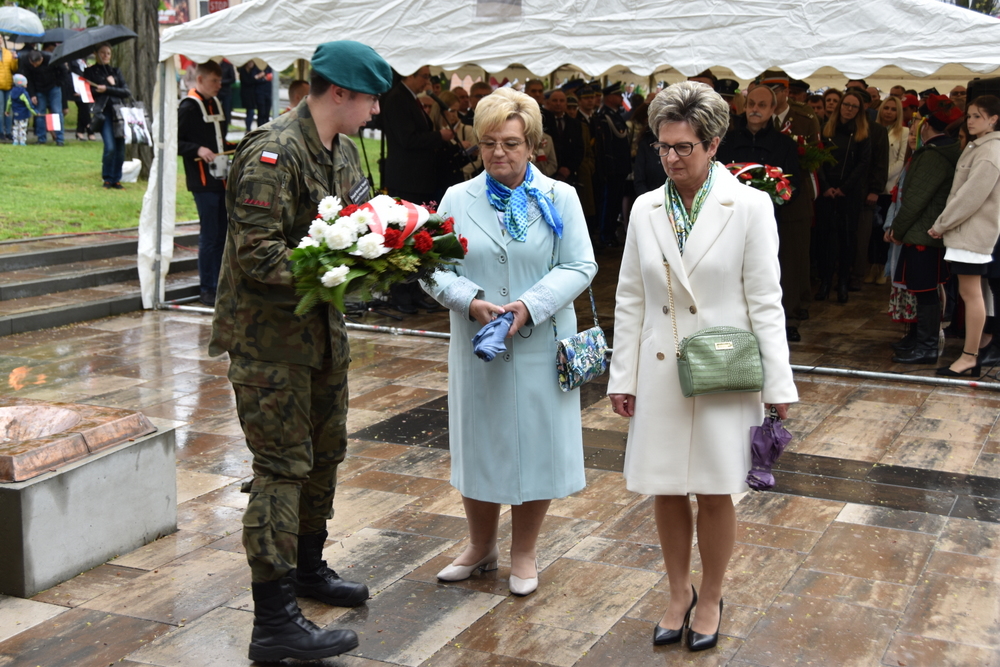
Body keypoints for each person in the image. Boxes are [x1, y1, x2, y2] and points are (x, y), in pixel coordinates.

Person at [209, 40, 392, 662]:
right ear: (339, 93)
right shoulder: (272, 152)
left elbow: (360, 221)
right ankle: (273, 621)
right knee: (281, 470)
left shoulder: (341, 150)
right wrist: (340, 267)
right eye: (370, 99)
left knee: (324, 456)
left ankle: (308, 569)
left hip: (320, 336)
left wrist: (385, 250)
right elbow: (257, 255)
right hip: (269, 344)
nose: (375, 111)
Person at [608, 81, 797, 652]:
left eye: (683, 147)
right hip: (660, 369)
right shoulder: (645, 208)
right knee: (666, 487)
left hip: (724, 371)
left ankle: (711, 595)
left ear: (713, 145)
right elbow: (630, 298)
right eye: (662, 146)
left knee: (716, 490)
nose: (671, 158)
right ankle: (677, 592)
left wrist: (778, 383)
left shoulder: (750, 206)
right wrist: (622, 375)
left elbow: (766, 300)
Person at [420, 87, 597, 598]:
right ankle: (480, 547)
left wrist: (530, 305)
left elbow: (580, 264)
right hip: (478, 345)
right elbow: (431, 268)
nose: (499, 152)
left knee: (536, 446)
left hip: (541, 342)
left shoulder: (560, 197)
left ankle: (524, 551)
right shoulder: (457, 198)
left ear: (533, 145)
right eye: (489, 142)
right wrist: (469, 299)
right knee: (480, 445)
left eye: (511, 143)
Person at [716, 84, 803, 342]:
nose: (755, 109)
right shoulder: (727, 141)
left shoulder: (784, 144)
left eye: (762, 105)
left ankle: (782, 321)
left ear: (773, 108)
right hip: (730, 219)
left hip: (771, 220)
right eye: (751, 104)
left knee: (772, 270)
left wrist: (774, 197)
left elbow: (794, 184)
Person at [929, 95, 1000, 377]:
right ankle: (973, 352)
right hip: (968, 231)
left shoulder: (990, 150)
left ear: (993, 119)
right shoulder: (982, 146)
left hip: (972, 232)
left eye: (977, 116)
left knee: (971, 294)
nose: (970, 121)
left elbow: (970, 197)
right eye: (969, 116)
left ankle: (970, 356)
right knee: (972, 293)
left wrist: (942, 224)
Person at [886, 107, 961, 365]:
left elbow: (916, 199)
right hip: (926, 232)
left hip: (923, 235)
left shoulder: (933, 155)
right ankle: (920, 342)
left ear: (926, 125)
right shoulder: (944, 150)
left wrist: (897, 230)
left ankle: (927, 347)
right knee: (924, 290)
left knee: (925, 291)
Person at [178, 60, 236, 307]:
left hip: (221, 180)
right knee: (210, 236)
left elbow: (218, 141)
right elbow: (174, 141)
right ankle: (207, 288)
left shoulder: (216, 103)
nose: (219, 85)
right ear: (200, 80)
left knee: (222, 235)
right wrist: (197, 149)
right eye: (214, 80)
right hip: (202, 182)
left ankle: (220, 284)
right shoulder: (189, 107)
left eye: (220, 80)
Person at [815, 89, 872, 303]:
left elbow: (863, 164)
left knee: (847, 239)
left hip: (849, 192)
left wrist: (845, 188)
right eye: (846, 105)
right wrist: (826, 186)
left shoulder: (862, 133)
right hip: (827, 191)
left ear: (859, 110)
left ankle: (843, 283)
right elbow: (818, 159)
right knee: (825, 239)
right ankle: (825, 281)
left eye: (854, 106)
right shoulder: (826, 129)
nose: (849, 109)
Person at [870, 96, 910, 285]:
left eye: (893, 109)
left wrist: (880, 176)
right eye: (886, 108)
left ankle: (884, 269)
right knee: (872, 232)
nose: (889, 112)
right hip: (871, 187)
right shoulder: (871, 128)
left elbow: (902, 160)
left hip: (889, 187)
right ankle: (872, 266)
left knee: (885, 230)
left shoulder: (904, 132)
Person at [83, 43, 130, 189]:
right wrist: (104, 87)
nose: (105, 56)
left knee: (120, 149)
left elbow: (126, 92)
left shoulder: (115, 71)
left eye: (108, 53)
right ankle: (107, 178)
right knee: (110, 147)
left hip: (118, 113)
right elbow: (89, 92)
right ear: (96, 54)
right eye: (102, 53)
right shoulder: (90, 72)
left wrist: (109, 87)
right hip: (103, 113)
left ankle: (116, 179)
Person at [22, 49, 66, 146]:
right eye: (32, 64)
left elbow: (64, 70)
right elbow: (29, 79)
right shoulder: (26, 61)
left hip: (53, 87)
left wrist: (59, 83)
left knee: (57, 112)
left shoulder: (51, 58)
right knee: (40, 113)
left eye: (36, 64)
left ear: (41, 59)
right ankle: (41, 138)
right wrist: (32, 94)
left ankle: (60, 139)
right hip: (39, 89)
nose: (34, 66)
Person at [239, 60, 273, 131]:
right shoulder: (255, 68)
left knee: (266, 113)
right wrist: (263, 78)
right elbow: (253, 80)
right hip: (258, 93)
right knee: (260, 113)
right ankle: (258, 129)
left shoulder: (269, 67)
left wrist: (262, 77)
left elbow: (269, 77)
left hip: (267, 92)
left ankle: (266, 129)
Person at [5, 73, 36, 145]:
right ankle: (22, 142)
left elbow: (9, 103)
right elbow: (28, 104)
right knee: (22, 128)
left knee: (15, 127)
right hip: (23, 114)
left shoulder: (12, 92)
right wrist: (35, 112)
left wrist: (7, 111)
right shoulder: (24, 93)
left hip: (15, 113)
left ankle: (15, 141)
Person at [0, 42, 16, 142]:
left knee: (9, 110)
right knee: (0, 110)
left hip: (8, 85)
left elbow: (14, 68)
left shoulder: (7, 53)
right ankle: (1, 131)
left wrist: (14, 59)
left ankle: (9, 132)